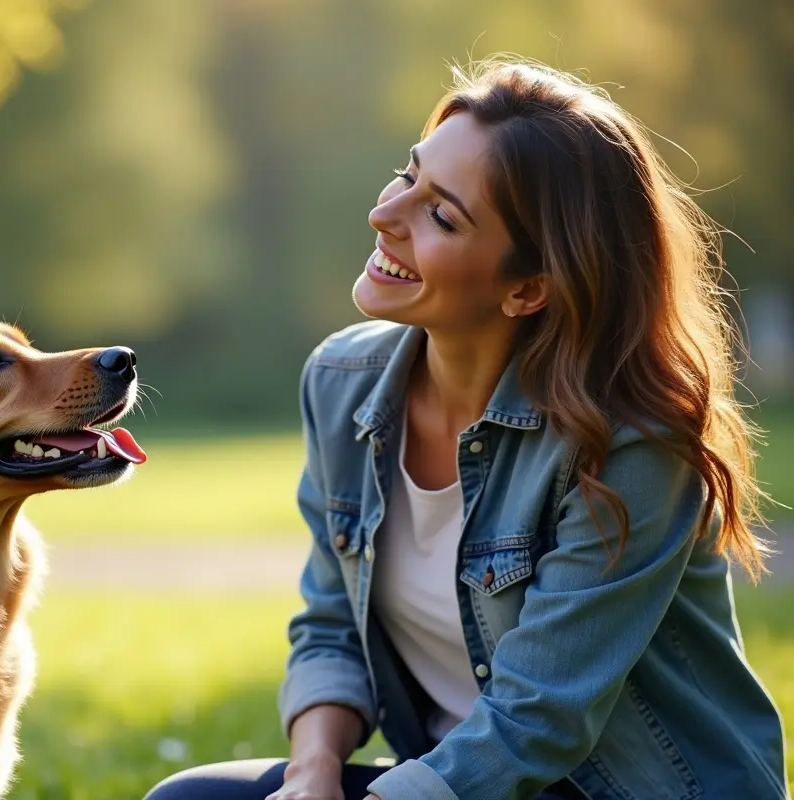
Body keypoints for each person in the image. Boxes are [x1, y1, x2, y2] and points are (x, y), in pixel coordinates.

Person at [143, 58, 789, 800]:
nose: (386, 215)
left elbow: (537, 720)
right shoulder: (340, 383)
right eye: (406, 175)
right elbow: (330, 627)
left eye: (441, 215)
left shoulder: (632, 442)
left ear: (528, 288)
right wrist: (312, 777)